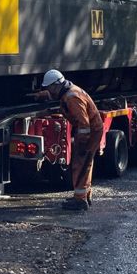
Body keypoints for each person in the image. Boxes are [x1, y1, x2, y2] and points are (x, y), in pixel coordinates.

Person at [38, 69, 104, 211]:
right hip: (92, 130)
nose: (50, 91)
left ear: (56, 85)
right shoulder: (69, 91)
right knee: (86, 163)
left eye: (49, 88)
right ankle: (84, 195)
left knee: (81, 163)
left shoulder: (72, 97)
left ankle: (80, 200)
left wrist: (81, 142)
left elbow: (84, 123)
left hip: (89, 132)